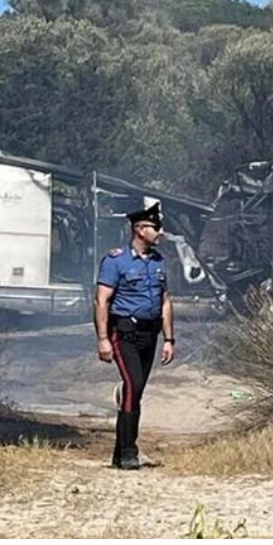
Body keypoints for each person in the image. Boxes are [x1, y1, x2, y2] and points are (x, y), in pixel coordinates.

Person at [94, 202, 175, 471]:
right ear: (140, 230)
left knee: (135, 391)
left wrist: (169, 339)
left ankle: (121, 452)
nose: (159, 232)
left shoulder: (158, 262)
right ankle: (129, 451)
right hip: (124, 332)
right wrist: (103, 339)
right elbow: (102, 301)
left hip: (149, 334)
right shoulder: (116, 261)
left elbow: (165, 301)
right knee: (133, 384)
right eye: (155, 227)